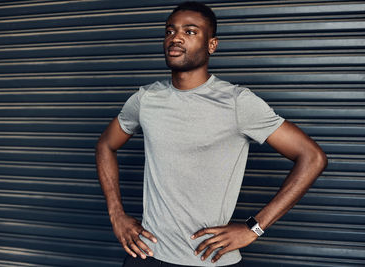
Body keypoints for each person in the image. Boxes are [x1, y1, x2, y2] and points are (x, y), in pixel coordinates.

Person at [95, 2, 328, 267]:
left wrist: (254, 227)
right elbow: (105, 145)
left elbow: (312, 157)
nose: (176, 37)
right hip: (147, 256)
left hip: (210, 260)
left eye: (190, 31)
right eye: (170, 31)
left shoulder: (237, 102)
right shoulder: (146, 99)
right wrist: (116, 214)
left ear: (212, 45)